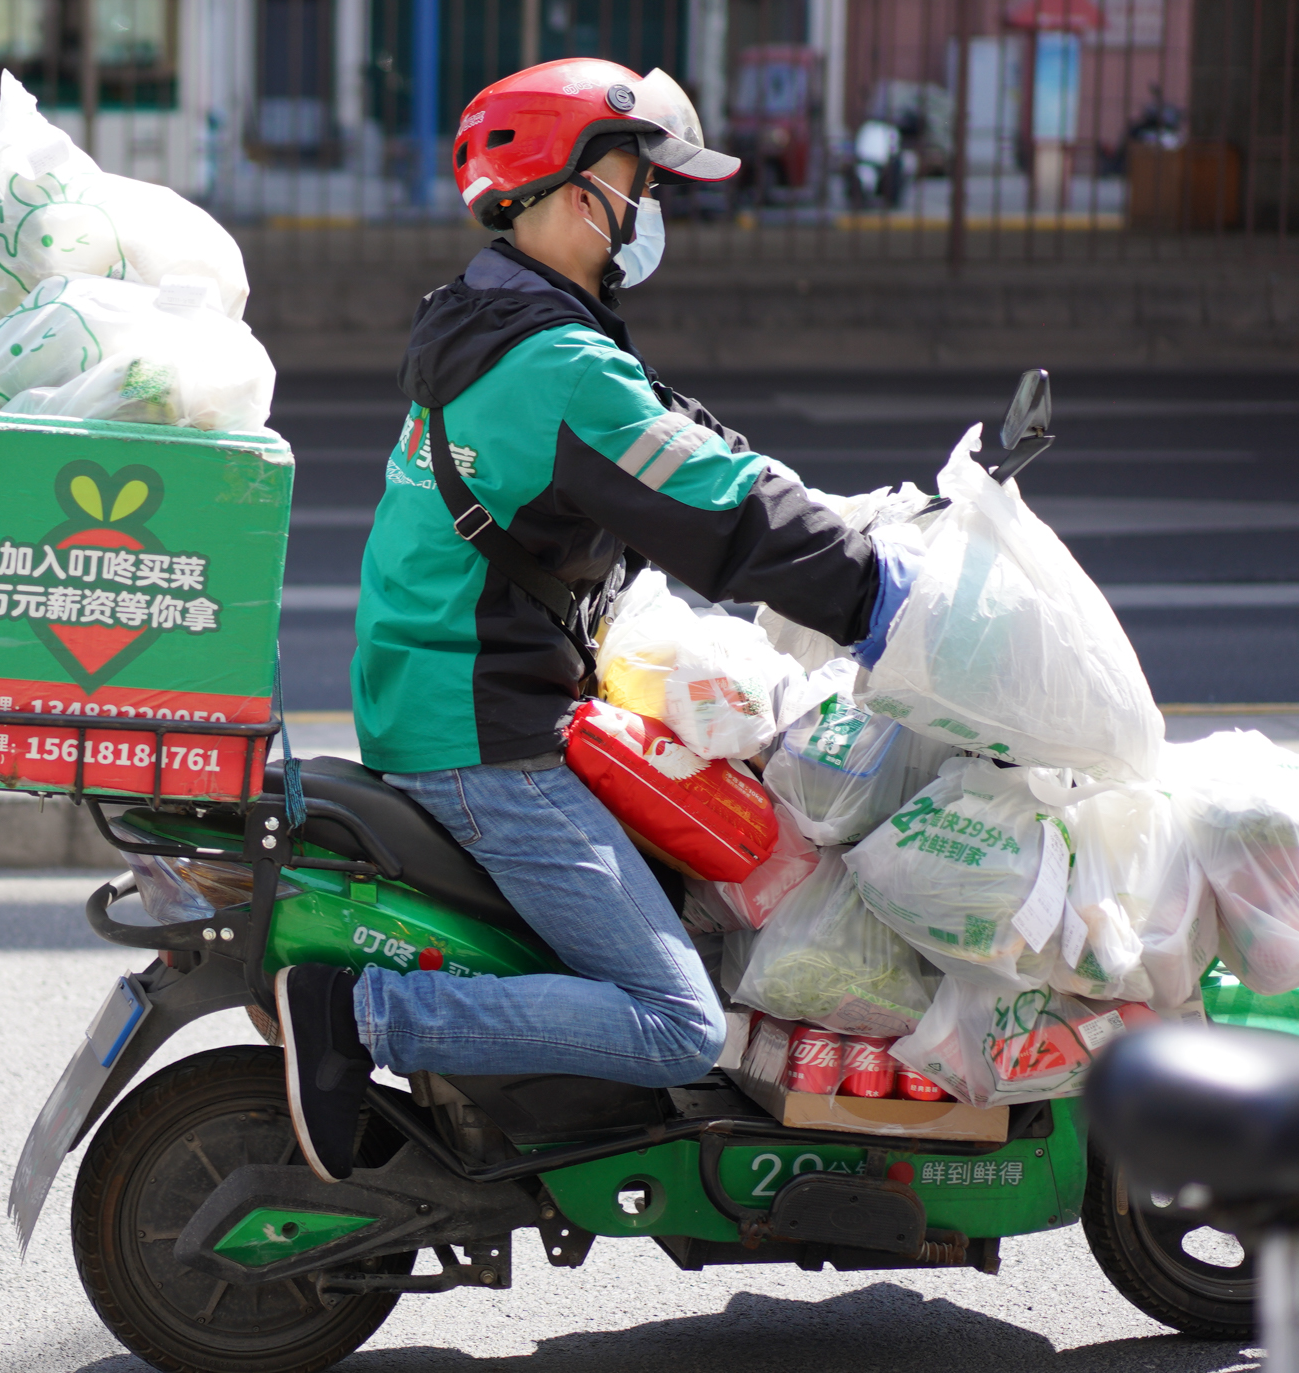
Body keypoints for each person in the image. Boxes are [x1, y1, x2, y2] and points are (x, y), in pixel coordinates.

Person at [274, 58, 921, 1182]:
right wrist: (881, 598)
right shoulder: (558, 366)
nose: (651, 207)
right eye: (643, 181)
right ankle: (364, 1012)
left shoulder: (493, 321)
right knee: (678, 1020)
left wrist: (851, 528)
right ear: (581, 193)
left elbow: (697, 449)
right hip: (482, 736)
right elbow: (721, 511)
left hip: (445, 695)